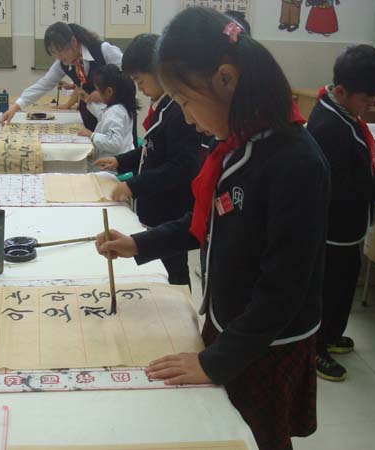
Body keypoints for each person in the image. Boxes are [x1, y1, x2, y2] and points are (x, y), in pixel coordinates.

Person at [95, 8, 330, 450]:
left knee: (256, 437)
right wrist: (139, 243)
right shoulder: (236, 143)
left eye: (185, 101)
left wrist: (216, 361)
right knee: (222, 425)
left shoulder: (295, 161)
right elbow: (207, 221)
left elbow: (284, 290)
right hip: (231, 321)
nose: (186, 118)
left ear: (226, 78)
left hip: (268, 341)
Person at [307, 45, 375, 382]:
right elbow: (344, 188)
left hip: (346, 226)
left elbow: (355, 167)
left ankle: (331, 334)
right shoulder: (329, 126)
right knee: (329, 290)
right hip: (333, 227)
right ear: (341, 90)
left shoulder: (340, 111)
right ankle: (315, 348)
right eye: (367, 100)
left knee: (344, 285)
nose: (370, 106)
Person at [93, 33, 204, 286]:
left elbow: (182, 166)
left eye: (140, 80)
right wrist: (121, 161)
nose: (140, 88)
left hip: (171, 208)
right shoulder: (162, 106)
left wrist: (133, 186)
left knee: (172, 268)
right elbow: (150, 150)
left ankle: (179, 301)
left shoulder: (179, 112)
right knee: (160, 262)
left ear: (160, 71)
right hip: (155, 207)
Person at [0, 23, 122, 131]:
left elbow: (126, 76)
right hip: (92, 114)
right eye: (54, 53)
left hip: (117, 116)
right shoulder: (62, 63)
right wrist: (15, 107)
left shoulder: (103, 50)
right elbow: (43, 85)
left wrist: (104, 92)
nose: (59, 56)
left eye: (61, 50)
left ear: (73, 42)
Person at [76, 65, 138, 165]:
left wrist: (92, 135)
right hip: (115, 161)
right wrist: (88, 100)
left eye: (98, 90)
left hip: (111, 167)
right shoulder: (119, 108)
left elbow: (114, 143)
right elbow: (103, 115)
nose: (96, 93)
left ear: (109, 91)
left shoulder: (116, 111)